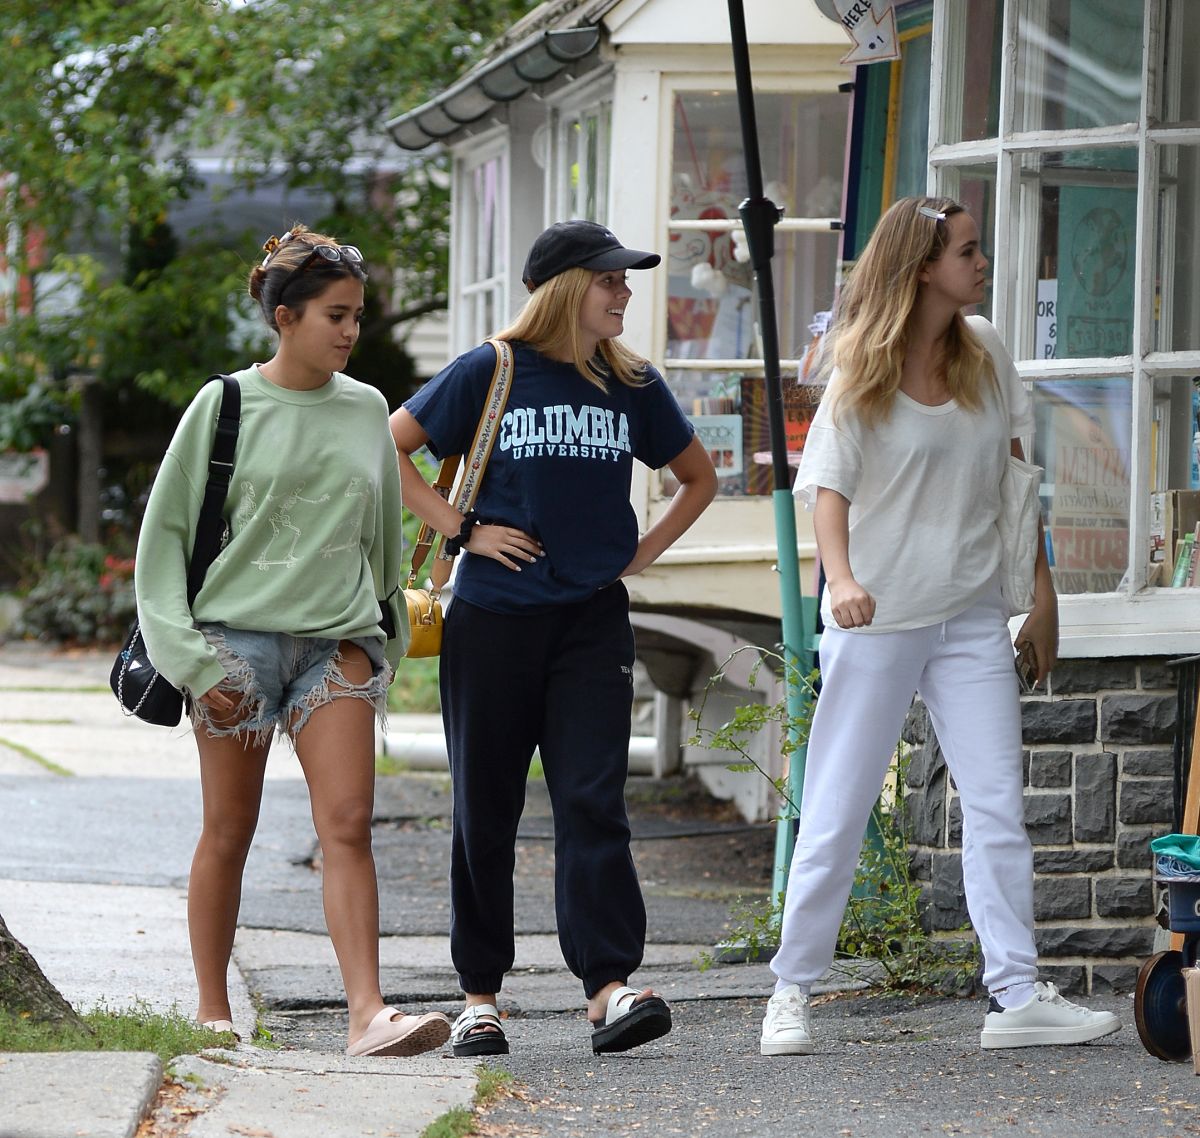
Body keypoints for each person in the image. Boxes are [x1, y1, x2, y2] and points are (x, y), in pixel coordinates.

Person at [759, 197, 1120, 1055]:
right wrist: (840, 581)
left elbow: (1013, 480)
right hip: (879, 618)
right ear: (922, 267)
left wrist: (1041, 592)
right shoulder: (860, 367)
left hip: (967, 613)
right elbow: (830, 492)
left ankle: (1017, 994)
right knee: (839, 805)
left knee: (997, 805)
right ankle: (790, 991)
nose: (982, 262)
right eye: (966, 251)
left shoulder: (987, 350)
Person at [390, 220, 718, 1056]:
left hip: (590, 623)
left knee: (592, 802)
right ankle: (479, 998)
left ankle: (608, 989)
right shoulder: (490, 370)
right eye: (611, 280)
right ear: (569, 286)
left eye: (625, 280)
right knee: (485, 809)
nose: (625, 293)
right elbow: (383, 445)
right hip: (493, 620)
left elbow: (698, 477)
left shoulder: (632, 383)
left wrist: (637, 555)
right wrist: (461, 529)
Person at [134, 224, 450, 1058]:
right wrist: (193, 664)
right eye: (334, 315)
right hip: (232, 648)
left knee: (348, 822)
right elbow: (162, 541)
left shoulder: (370, 409)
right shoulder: (225, 404)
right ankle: (211, 1012)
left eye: (356, 315)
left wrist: (383, 639)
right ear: (284, 316)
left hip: (336, 648)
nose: (350, 331)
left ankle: (367, 1015)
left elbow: (382, 542)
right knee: (228, 828)